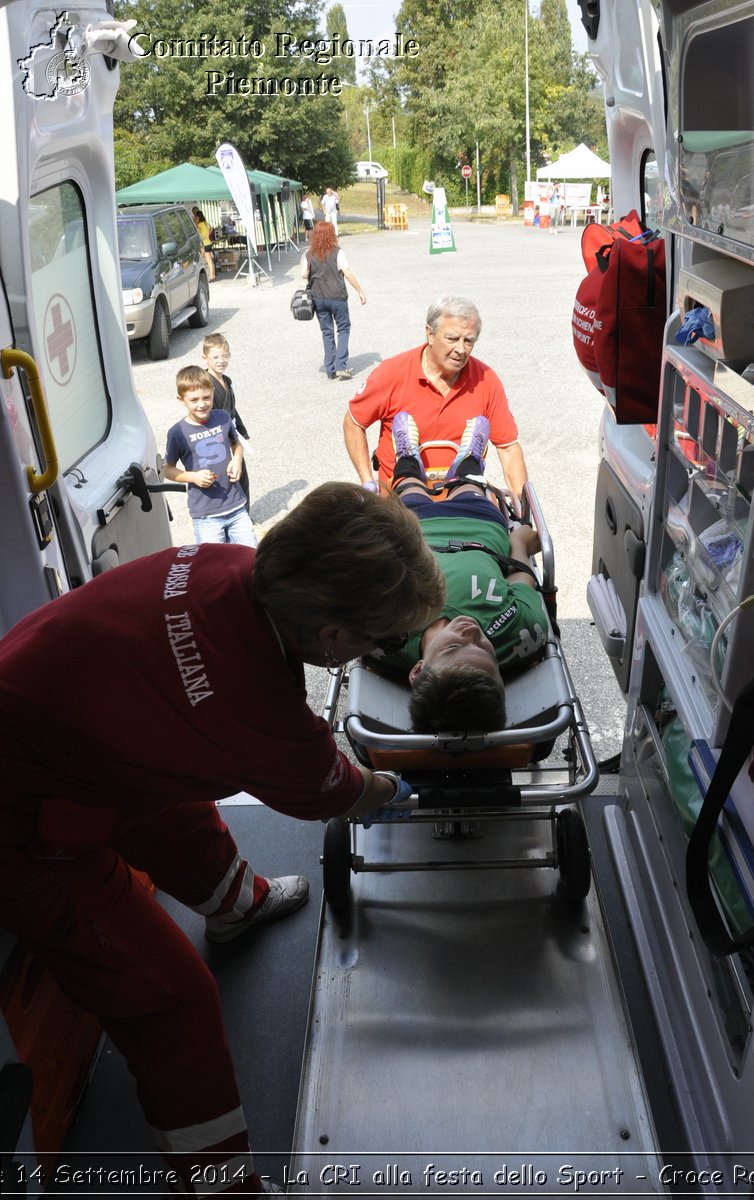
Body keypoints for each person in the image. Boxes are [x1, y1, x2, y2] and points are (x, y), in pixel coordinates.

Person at [0, 482, 445, 1196]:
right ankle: (222, 1184)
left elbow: (198, 725)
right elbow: (331, 789)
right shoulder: (255, 703)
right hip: (18, 827)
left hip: (57, 728)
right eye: (380, 639)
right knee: (171, 999)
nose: (382, 650)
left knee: (172, 795)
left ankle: (235, 906)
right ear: (330, 636)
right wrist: (389, 790)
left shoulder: (224, 566)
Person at [382, 412, 549, 732]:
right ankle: (470, 462)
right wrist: (519, 543)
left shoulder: (385, 634)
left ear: (417, 670)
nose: (473, 634)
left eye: (454, 647)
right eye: (487, 651)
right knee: (470, 488)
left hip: (411, 530)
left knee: (409, 488)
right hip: (478, 528)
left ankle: (406, 460)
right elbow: (521, 579)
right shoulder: (518, 635)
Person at [343, 296, 529, 497]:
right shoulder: (391, 373)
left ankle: (466, 466)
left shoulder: (486, 380)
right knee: (409, 494)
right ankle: (408, 463)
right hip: (402, 506)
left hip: (461, 502)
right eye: (452, 338)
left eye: (468, 341)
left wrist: (522, 508)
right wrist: (367, 481)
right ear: (430, 334)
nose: (460, 349)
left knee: (475, 501)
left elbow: (508, 448)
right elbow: (354, 422)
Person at [164, 365, 256, 546]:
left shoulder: (223, 417)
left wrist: (237, 460)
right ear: (181, 399)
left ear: (213, 392)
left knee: (251, 557)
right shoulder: (177, 432)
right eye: (194, 399)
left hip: (236, 506)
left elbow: (236, 442)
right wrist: (193, 477)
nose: (201, 404)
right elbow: (167, 469)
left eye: (206, 397)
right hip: (206, 515)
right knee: (214, 566)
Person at [300, 221, 366, 382]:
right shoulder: (337, 252)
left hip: (318, 298)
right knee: (343, 328)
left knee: (327, 332)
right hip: (337, 297)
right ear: (331, 235)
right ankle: (341, 365)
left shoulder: (309, 254)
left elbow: (303, 274)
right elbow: (348, 273)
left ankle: (330, 368)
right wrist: (360, 291)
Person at [202, 333, 252, 510]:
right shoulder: (205, 384)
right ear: (205, 358)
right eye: (215, 357)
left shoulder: (226, 381)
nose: (221, 361)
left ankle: (245, 515)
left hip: (232, 432)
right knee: (226, 476)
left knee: (242, 474)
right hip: (217, 436)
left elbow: (232, 410)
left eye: (225, 356)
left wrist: (243, 432)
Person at [192, 206, 216, 281]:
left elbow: (196, 232)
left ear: (197, 217)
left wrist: (202, 238)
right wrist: (207, 235)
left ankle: (211, 277)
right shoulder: (205, 223)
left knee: (208, 261)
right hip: (208, 242)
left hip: (204, 244)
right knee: (210, 261)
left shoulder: (199, 225)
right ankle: (213, 275)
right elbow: (211, 228)